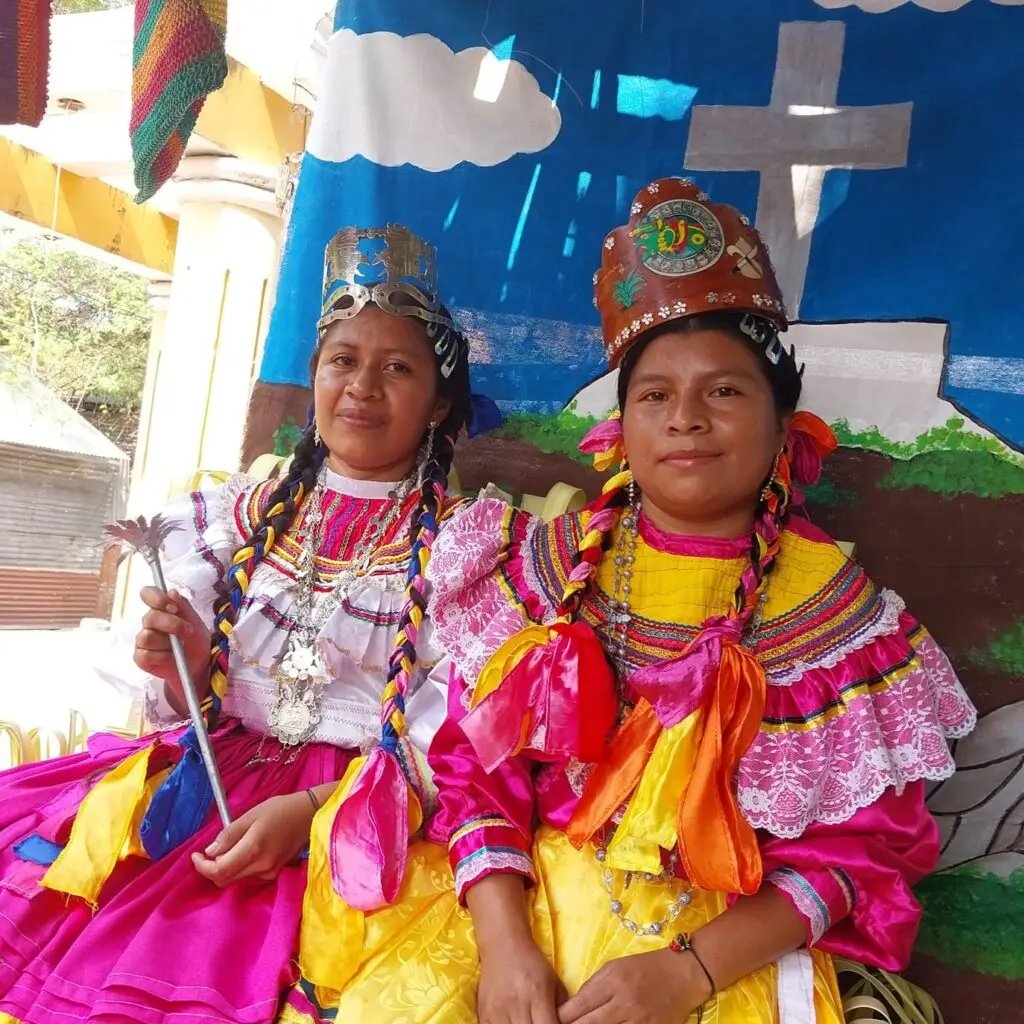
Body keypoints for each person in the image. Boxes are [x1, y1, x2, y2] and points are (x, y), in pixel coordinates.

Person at [280, 180, 976, 1024]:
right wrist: (504, 950)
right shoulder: (543, 572)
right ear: (621, 428)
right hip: (514, 926)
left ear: (783, 419)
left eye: (723, 391)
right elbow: (476, 772)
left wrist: (689, 975)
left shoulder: (846, 623)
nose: (684, 419)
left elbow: (861, 855)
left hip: (723, 960)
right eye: (654, 395)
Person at [0, 223, 492, 1024]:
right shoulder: (237, 516)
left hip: (358, 811)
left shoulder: (471, 547)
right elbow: (188, 699)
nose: (363, 386)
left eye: (397, 368)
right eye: (344, 361)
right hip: (205, 780)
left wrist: (317, 814)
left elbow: (460, 744)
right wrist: (185, 660)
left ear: (439, 402)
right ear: (314, 378)